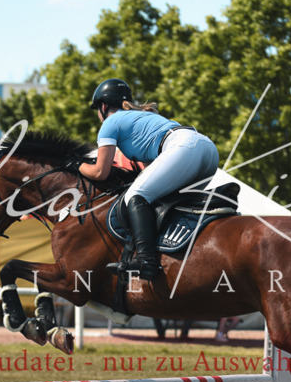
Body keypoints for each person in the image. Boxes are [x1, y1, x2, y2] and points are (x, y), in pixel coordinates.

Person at [78, 78, 219, 279]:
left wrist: (77, 164)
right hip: (208, 150)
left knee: (134, 197)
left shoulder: (110, 122)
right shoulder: (142, 118)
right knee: (163, 199)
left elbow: (101, 172)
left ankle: (146, 261)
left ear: (103, 106)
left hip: (183, 147)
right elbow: (149, 171)